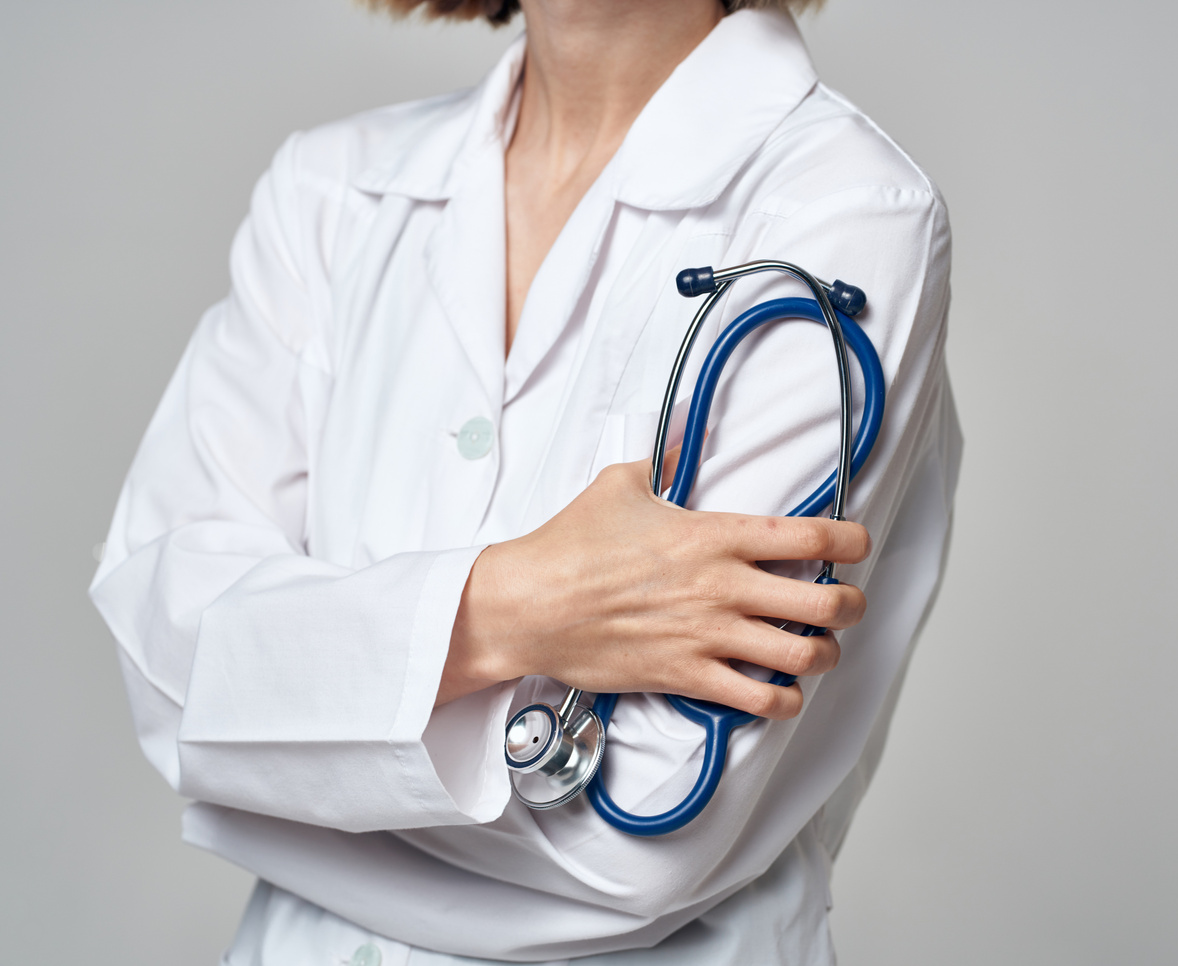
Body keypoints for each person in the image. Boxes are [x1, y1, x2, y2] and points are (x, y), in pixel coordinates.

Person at [89, 0, 961, 962]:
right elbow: (164, 671)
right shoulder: (330, 192)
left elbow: (647, 834)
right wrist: (509, 609)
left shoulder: (847, 210)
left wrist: (289, 752)